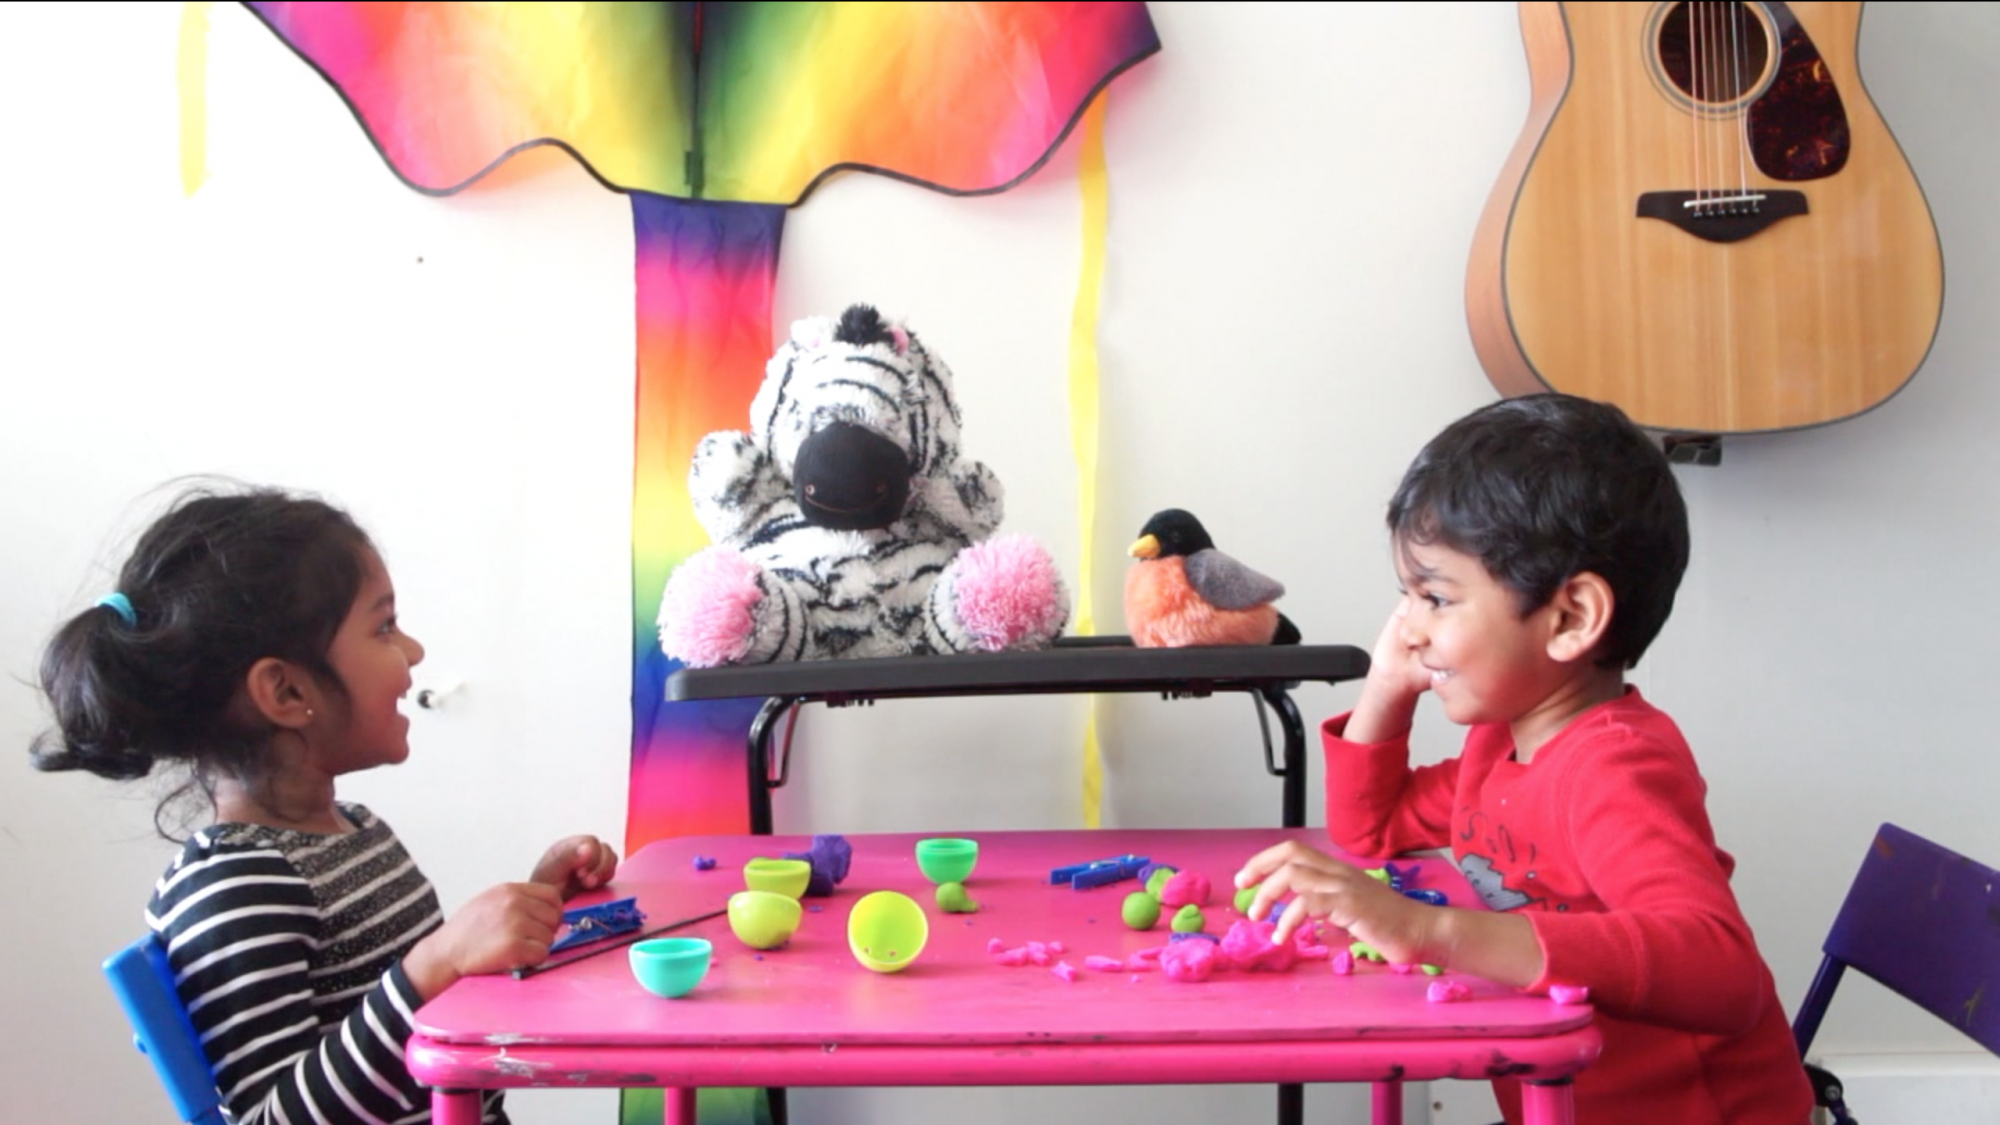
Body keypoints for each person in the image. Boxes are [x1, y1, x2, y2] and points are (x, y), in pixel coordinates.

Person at [1236, 395, 1812, 1124]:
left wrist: (1429, 929)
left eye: (1436, 597)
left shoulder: (1614, 767)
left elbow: (1719, 968)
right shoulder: (1502, 746)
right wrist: (1386, 686)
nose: (1408, 627)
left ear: (1570, 618)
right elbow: (1370, 830)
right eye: (1404, 596)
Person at [32, 483, 619, 1125]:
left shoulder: (356, 832)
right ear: (285, 691)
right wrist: (435, 963)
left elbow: (427, 1024)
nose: (414, 652)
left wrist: (530, 912)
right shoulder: (234, 888)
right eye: (385, 627)